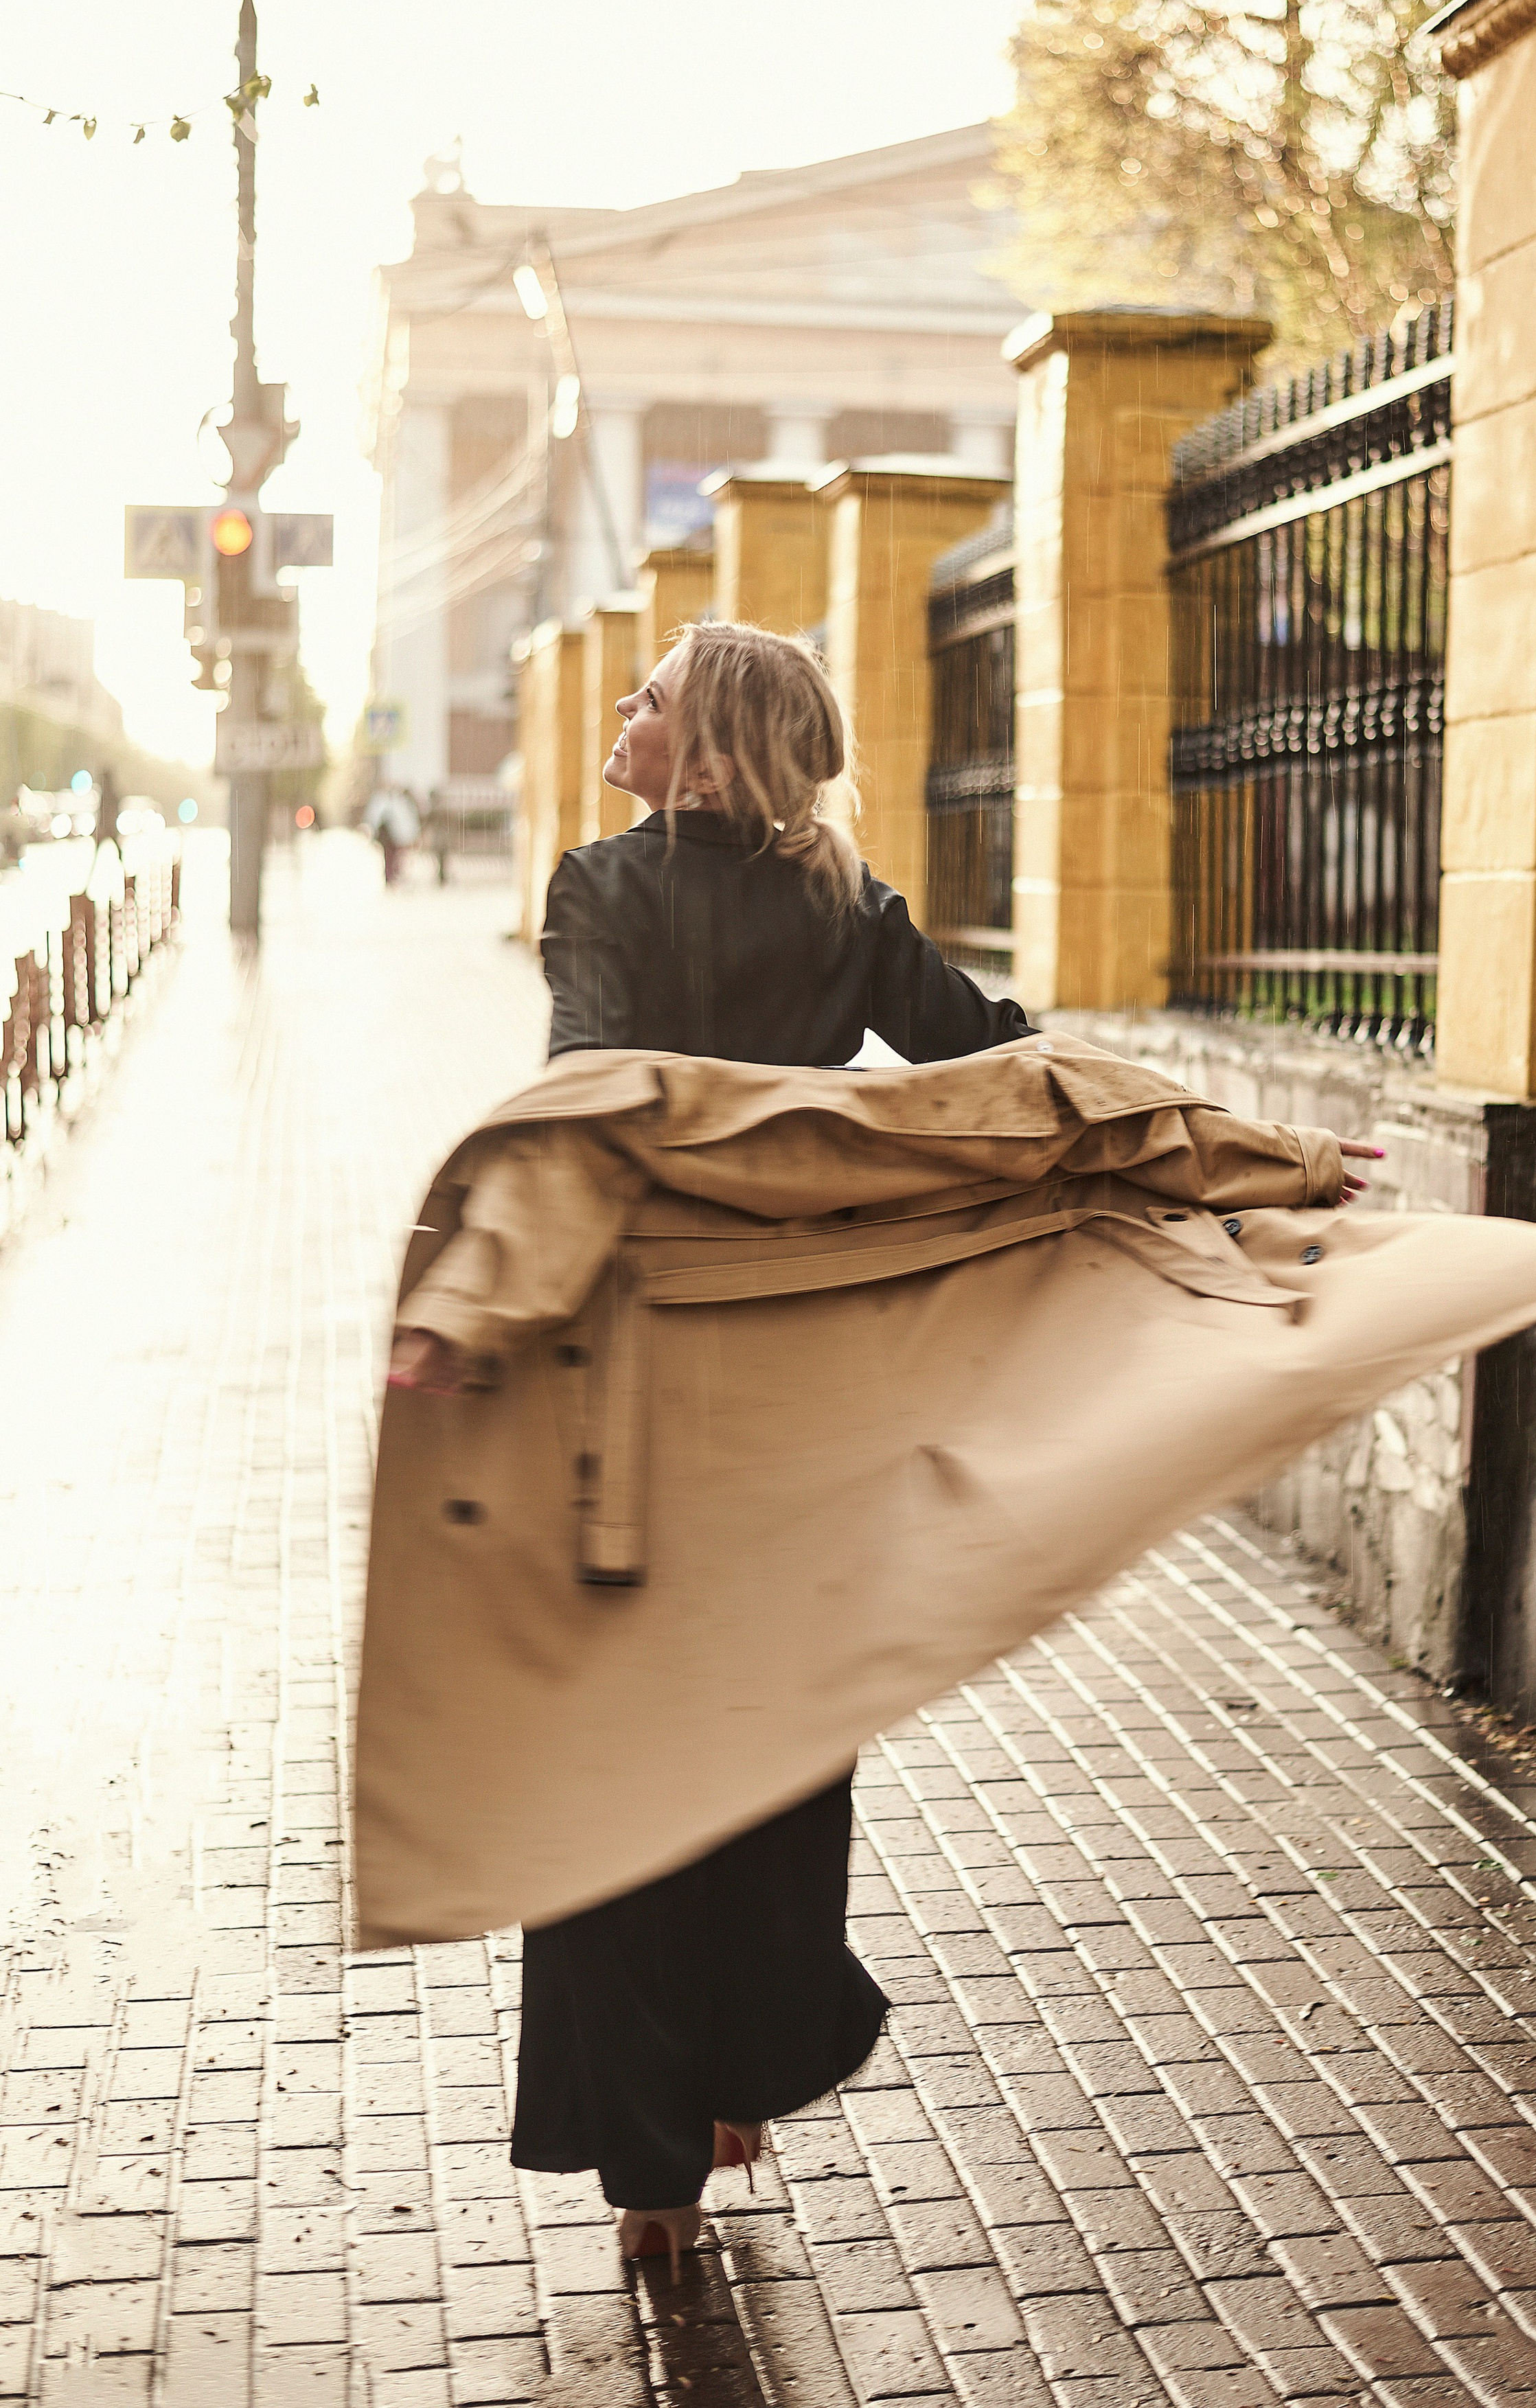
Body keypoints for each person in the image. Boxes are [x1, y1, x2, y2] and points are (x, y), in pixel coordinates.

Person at [387, 621, 1379, 2271]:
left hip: (633, 1392)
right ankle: (732, 2076)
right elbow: (1014, 1073)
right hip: (804, 1405)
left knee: (612, 1755)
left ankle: (651, 2160)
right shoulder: (844, 906)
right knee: (776, 1752)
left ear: (706, 749)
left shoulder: (599, 889)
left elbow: (587, 1104)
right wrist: (1250, 1154)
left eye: (650, 696)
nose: (621, 714)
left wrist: (473, 1298)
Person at [364, 783, 422, 886]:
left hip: (397, 836)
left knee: (396, 856)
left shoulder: (399, 802)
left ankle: (395, 874)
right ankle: (391, 876)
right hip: (389, 836)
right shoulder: (384, 801)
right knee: (391, 856)